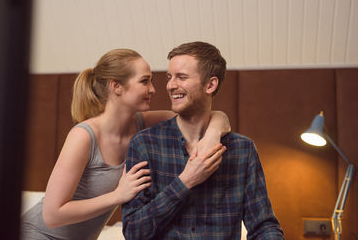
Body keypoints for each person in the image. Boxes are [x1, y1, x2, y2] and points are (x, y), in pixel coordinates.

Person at [21, 48, 231, 240]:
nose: (153, 89)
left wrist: (212, 135)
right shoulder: (83, 136)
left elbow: (209, 117)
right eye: (145, 81)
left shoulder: (143, 124)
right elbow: (52, 215)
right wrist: (117, 196)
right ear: (116, 86)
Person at [122, 42, 284, 239]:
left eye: (181, 77)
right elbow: (133, 232)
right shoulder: (145, 144)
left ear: (210, 84)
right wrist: (186, 182)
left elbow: (263, 225)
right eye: (169, 77)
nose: (170, 85)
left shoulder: (243, 150)